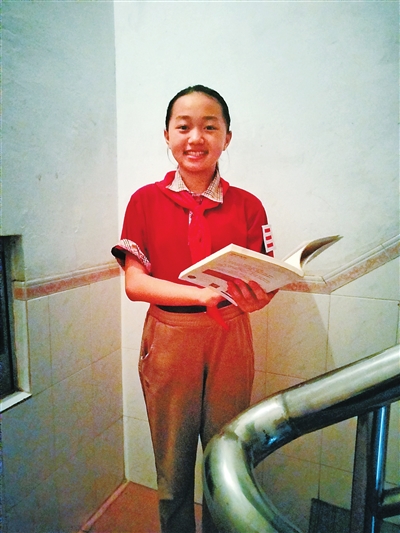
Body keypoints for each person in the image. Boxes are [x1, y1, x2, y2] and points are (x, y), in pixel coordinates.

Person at [112, 85, 277, 533]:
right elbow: (135, 283)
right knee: (173, 466)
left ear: (227, 137)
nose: (196, 138)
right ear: (167, 135)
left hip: (230, 337)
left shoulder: (249, 205)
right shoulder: (144, 201)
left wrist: (260, 296)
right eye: (183, 126)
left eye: (210, 127)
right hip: (169, 338)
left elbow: (261, 281)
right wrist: (200, 296)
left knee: (227, 459)